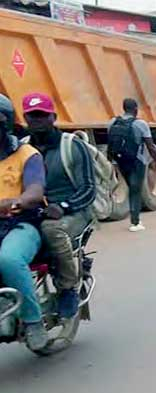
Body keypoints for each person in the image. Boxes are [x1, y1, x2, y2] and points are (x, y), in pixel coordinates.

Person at [22, 92, 96, 325]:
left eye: (42, 115)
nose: (37, 121)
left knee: (51, 230)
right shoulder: (21, 148)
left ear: (53, 117)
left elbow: (89, 189)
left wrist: (63, 206)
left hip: (73, 211)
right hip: (33, 211)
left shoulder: (72, 146)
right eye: (32, 116)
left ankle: (67, 290)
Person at [0, 93, 49, 350]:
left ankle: (33, 321)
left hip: (21, 224)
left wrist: (14, 202)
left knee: (7, 258)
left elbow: (35, 192)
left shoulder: (27, 154)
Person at [107, 98, 156, 232]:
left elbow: (110, 143)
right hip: (137, 160)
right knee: (135, 189)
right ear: (135, 109)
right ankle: (135, 222)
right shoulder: (140, 124)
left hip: (120, 160)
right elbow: (150, 146)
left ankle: (135, 218)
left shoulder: (112, 122)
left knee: (131, 187)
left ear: (124, 108)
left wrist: (111, 161)